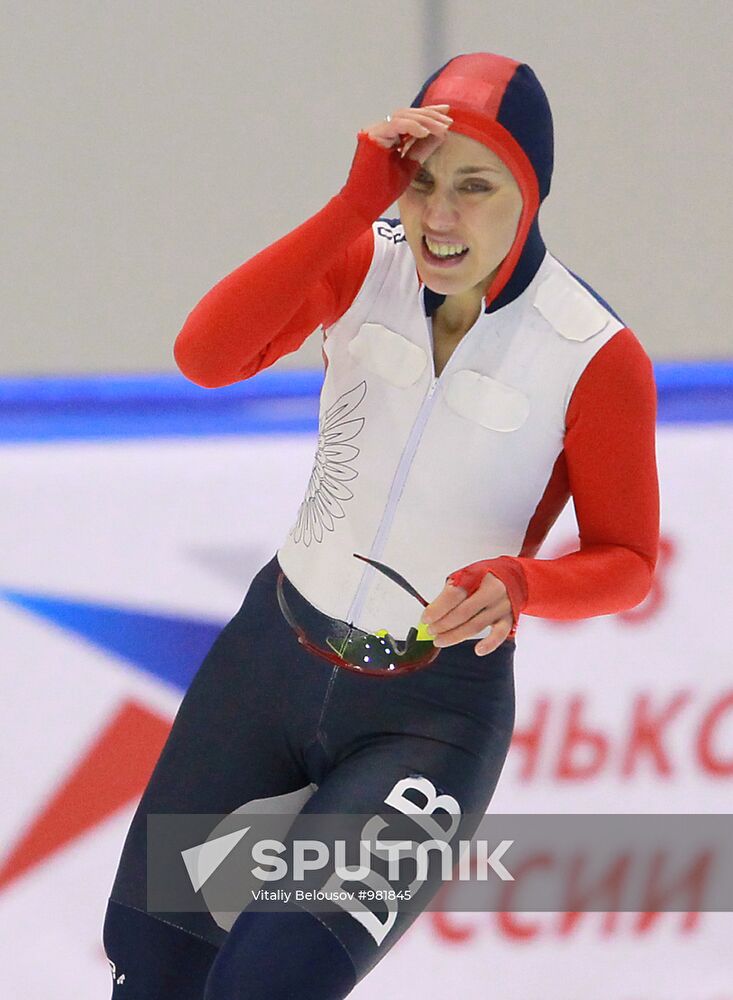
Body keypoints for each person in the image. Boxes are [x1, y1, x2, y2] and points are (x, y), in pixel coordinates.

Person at [102, 52, 659, 998]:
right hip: (267, 667)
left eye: (474, 188)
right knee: (154, 968)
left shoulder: (593, 353)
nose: (438, 215)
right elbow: (206, 355)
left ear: (528, 195)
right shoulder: (362, 263)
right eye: (421, 181)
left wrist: (523, 586)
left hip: (426, 720)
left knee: (265, 987)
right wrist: (351, 202)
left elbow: (628, 560)